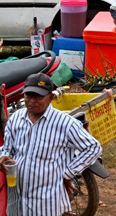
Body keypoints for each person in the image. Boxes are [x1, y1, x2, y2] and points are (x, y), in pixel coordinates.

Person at [0, 73, 102, 216]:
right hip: (18, 199)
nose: (32, 101)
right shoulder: (17, 117)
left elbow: (93, 147)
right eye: (28, 96)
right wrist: (4, 156)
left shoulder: (65, 123)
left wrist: (69, 173)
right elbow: (8, 148)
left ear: (51, 98)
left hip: (46, 203)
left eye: (38, 97)